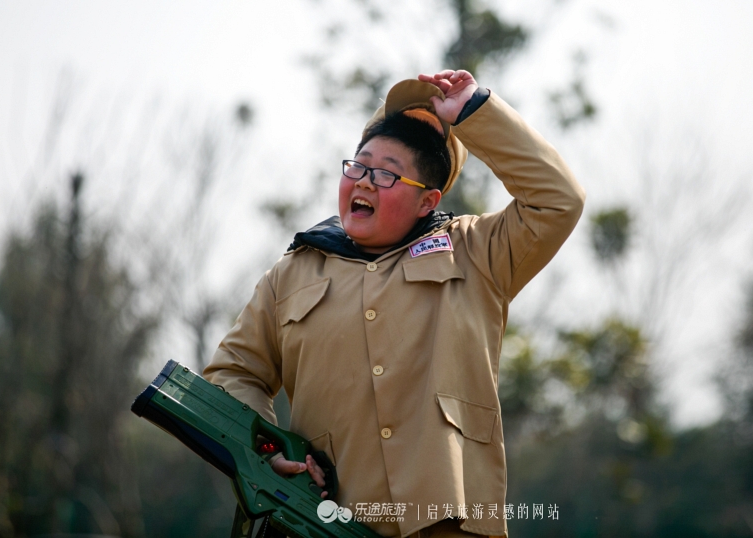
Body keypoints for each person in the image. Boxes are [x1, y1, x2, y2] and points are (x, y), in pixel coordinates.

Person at [204, 69, 585, 538]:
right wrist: (266, 451)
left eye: (386, 173)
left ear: (428, 201)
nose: (364, 181)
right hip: (326, 525)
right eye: (358, 166)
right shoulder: (293, 272)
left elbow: (558, 200)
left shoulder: (477, 252)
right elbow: (234, 372)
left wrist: (475, 110)